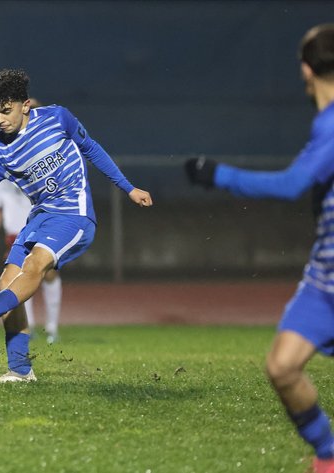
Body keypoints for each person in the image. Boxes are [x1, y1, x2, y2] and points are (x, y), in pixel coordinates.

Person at [0, 69, 153, 383]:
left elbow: (91, 148)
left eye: (6, 110)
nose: (0, 118)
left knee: (37, 264)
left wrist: (129, 188)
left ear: (25, 105)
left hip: (73, 215)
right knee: (8, 282)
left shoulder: (57, 118)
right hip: (38, 218)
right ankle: (21, 371)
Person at [185, 24, 334, 473]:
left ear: (306, 71)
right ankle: (328, 458)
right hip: (325, 278)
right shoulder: (323, 125)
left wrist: (217, 175)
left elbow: (291, 185)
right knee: (283, 367)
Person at [0, 179, 63, 344]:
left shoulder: (38, 169)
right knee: (19, 276)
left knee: (49, 274)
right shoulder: (0, 179)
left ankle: (52, 328)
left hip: (42, 228)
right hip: (16, 234)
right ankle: (29, 327)